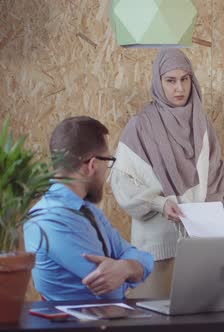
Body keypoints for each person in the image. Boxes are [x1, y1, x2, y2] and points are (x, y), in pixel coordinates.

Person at [109, 48, 224, 298]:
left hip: (197, 249)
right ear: (158, 82)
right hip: (157, 252)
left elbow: (217, 180)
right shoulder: (140, 127)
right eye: (170, 81)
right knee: (153, 323)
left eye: (185, 79)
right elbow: (123, 184)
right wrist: (162, 204)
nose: (179, 88)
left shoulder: (201, 125)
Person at [24, 116, 154, 301]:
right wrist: (130, 269)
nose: (107, 170)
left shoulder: (89, 211)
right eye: (107, 161)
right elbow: (111, 290)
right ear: (92, 165)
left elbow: (143, 258)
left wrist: (125, 268)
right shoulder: (50, 218)